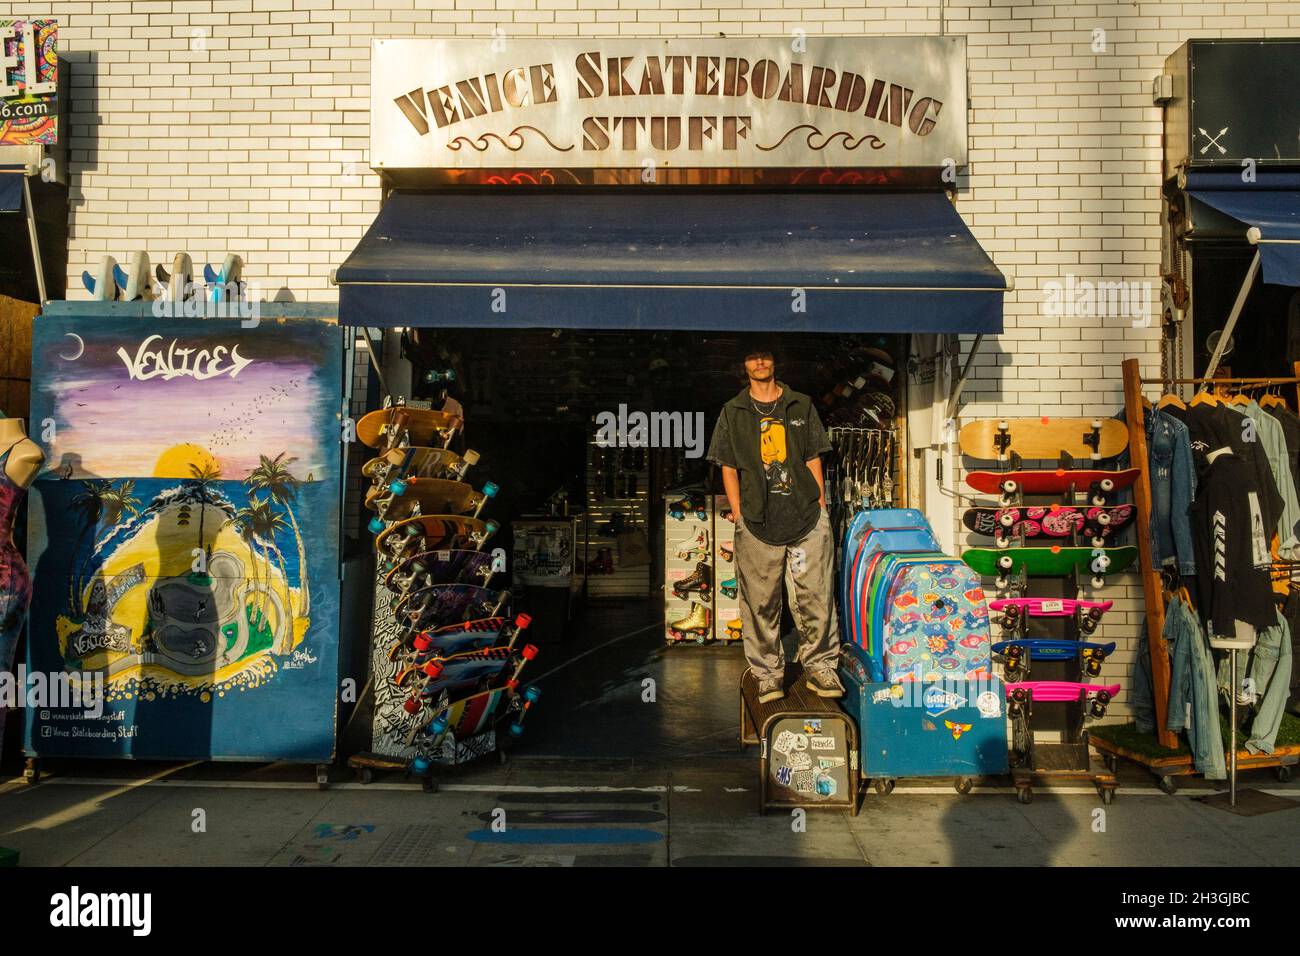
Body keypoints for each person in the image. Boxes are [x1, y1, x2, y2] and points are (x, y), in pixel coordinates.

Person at [707, 341, 842, 703]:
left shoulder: (800, 404)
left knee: (815, 596)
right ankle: (767, 673)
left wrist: (820, 504)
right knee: (760, 602)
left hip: (806, 517)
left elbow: (814, 456)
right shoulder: (733, 411)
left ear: (774, 362)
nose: (759, 361)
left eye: (764, 355)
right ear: (744, 366)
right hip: (756, 520)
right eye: (752, 357)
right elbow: (728, 466)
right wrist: (737, 512)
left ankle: (820, 666)